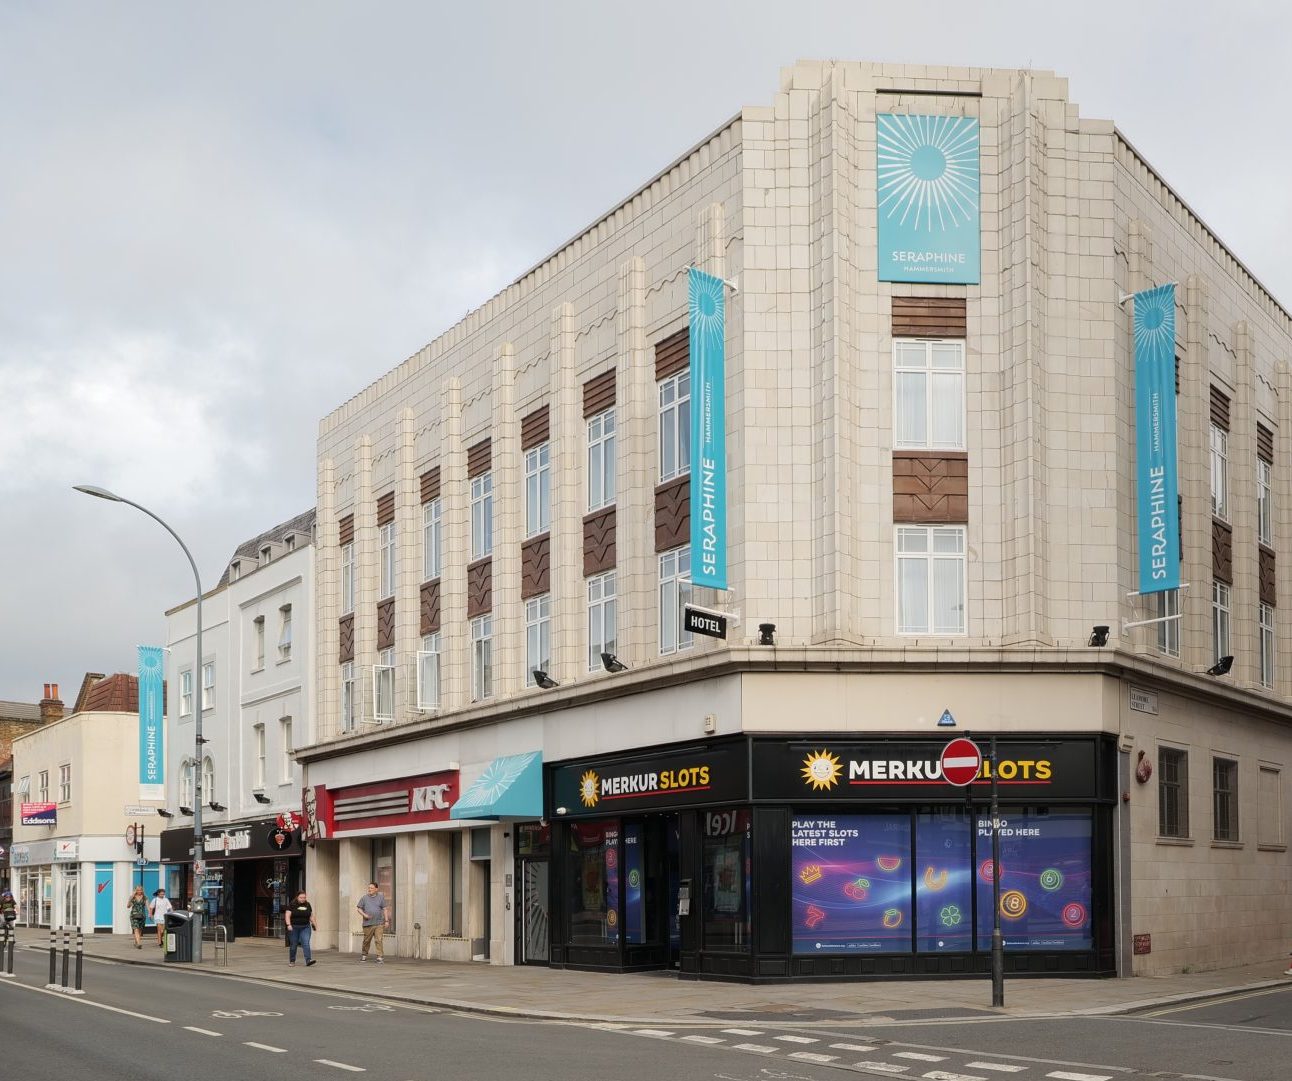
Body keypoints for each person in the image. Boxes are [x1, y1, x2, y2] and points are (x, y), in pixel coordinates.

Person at [355, 881, 389, 962]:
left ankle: (379, 957)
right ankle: (364, 954)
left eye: (371, 888)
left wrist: (386, 921)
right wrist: (364, 915)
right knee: (366, 940)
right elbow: (359, 908)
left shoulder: (381, 897)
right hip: (368, 924)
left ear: (376, 889)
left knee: (379, 940)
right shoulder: (364, 898)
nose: (369, 889)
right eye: (369, 888)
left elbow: (385, 909)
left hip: (379, 923)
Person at [285, 889, 317, 967]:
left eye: (304, 897)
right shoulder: (292, 904)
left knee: (306, 943)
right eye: (301, 897)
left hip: (305, 927)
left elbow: (311, 916)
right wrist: (288, 924)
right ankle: (292, 961)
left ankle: (308, 960)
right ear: (297, 897)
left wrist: (314, 924)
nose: (303, 899)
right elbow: (287, 915)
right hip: (294, 927)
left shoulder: (308, 904)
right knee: (293, 944)